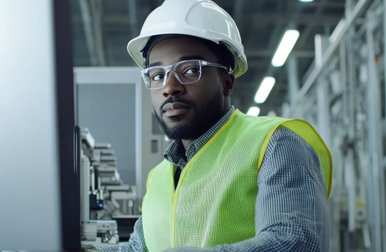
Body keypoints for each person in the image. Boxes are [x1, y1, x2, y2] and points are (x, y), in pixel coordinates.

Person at [90, 0, 332, 251]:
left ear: (227, 83)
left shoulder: (274, 145)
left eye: (190, 70)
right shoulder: (160, 176)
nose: (170, 87)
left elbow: (294, 242)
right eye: (157, 75)